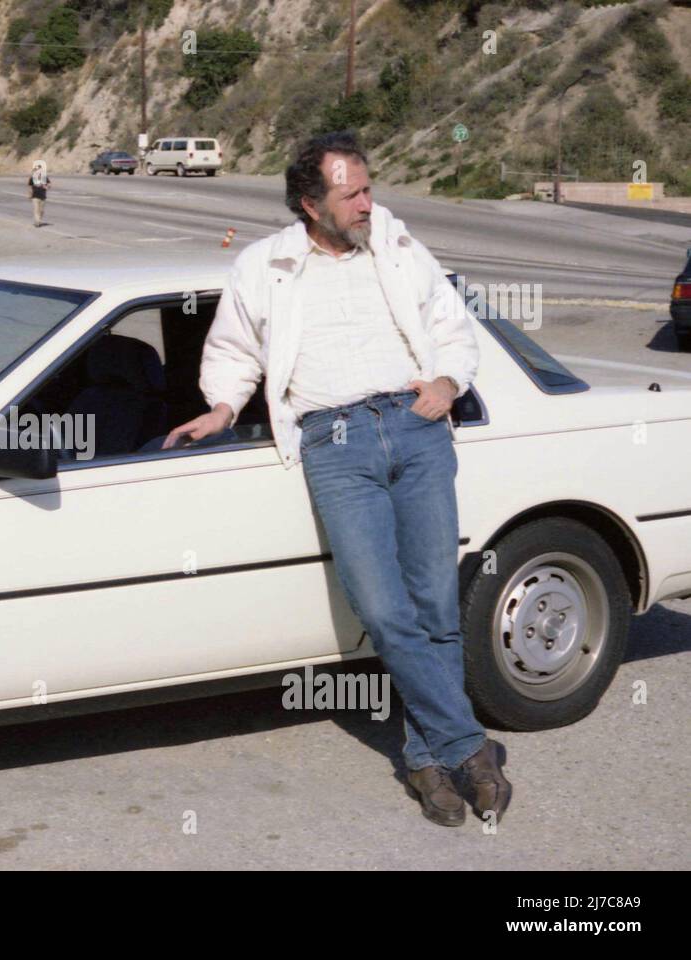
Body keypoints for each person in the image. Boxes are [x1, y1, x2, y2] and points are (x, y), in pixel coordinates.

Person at [164, 130, 512, 828]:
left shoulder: (398, 245)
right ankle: (469, 747)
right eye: (350, 194)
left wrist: (448, 379)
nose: (367, 203)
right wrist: (224, 406)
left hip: (415, 428)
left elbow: (452, 326)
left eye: (368, 188)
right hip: (335, 443)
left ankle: (425, 758)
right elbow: (235, 348)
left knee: (436, 606)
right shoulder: (267, 265)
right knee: (385, 611)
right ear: (309, 204)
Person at [27, 160, 51, 227]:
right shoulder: (32, 178)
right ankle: (37, 221)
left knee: (41, 210)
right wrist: (29, 194)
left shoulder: (44, 177)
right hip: (35, 196)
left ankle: (39, 219)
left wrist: (46, 187)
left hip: (43, 196)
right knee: (36, 209)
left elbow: (49, 184)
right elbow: (29, 186)